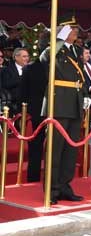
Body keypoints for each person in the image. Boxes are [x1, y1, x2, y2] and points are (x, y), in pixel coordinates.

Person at [42, 21, 90, 202]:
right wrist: (59, 39)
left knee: (70, 149)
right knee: (56, 148)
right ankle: (52, 189)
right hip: (60, 102)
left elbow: (81, 75)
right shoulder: (53, 48)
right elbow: (44, 58)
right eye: (71, 29)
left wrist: (85, 94)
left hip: (75, 102)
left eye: (76, 28)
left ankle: (64, 186)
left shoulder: (77, 50)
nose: (75, 31)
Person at [19, 35, 48, 183]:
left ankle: (34, 179)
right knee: (38, 150)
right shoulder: (31, 68)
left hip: (39, 113)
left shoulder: (30, 68)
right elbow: (23, 93)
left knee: (35, 151)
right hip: (44, 114)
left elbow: (22, 94)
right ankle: (41, 179)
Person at [1, 47, 29, 113]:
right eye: (24, 56)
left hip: (28, 103)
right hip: (13, 103)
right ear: (16, 57)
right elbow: (6, 84)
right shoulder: (7, 70)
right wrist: (22, 78)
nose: (27, 59)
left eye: (27, 56)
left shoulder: (30, 69)